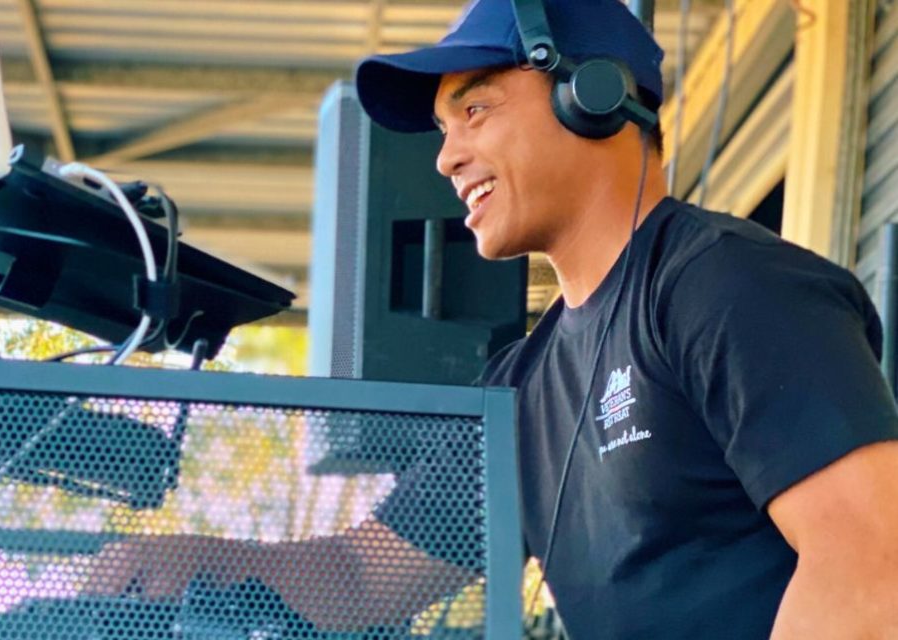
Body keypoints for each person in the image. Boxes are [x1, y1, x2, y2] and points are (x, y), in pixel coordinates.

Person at [83, 1, 898, 637]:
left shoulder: (723, 287)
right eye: (443, 130)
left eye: (476, 111)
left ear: (592, 96)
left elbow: (871, 569)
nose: (445, 158)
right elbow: (368, 578)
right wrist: (197, 559)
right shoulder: (522, 385)